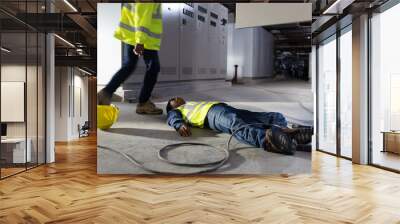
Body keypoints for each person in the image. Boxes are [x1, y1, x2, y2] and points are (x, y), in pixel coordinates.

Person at [166, 97, 313, 155]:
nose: (176, 98)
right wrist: (179, 125)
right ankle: (268, 141)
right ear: (172, 106)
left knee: (271, 117)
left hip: (225, 108)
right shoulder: (178, 110)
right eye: (173, 100)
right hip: (211, 115)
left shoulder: (192, 102)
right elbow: (173, 118)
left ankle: (286, 132)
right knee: (236, 124)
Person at [97, 3, 163, 115]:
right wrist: (140, 41)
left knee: (129, 65)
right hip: (143, 38)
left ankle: (106, 92)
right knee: (153, 67)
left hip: (132, 34)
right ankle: (143, 103)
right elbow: (143, 15)